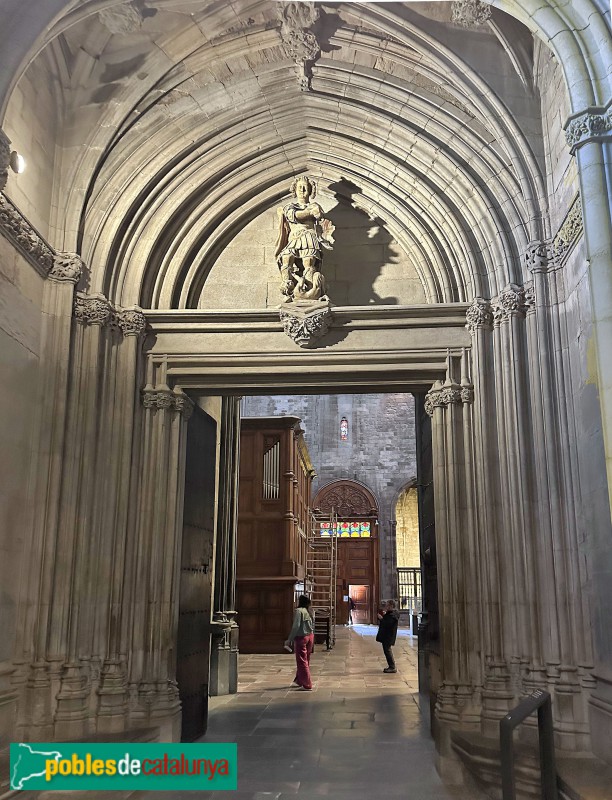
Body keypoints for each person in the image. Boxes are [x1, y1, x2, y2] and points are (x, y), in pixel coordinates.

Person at [274, 175, 334, 302]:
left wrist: (316, 213)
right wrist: (309, 212)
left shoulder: (315, 206)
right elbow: (293, 216)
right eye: (299, 187)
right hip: (294, 237)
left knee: (309, 261)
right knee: (287, 257)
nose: (302, 190)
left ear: (310, 191)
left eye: (305, 187)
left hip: (309, 237)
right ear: (294, 190)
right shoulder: (290, 206)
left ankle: (310, 287)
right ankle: (287, 285)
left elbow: (319, 216)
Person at [284, 594, 315, 690]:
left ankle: (307, 683)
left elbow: (296, 626)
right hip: (310, 636)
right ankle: (300, 680)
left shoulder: (299, 611)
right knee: (306, 660)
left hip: (301, 638)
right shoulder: (310, 611)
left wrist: (290, 639)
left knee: (302, 661)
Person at [376, 600, 400, 673]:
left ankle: (392, 667)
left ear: (391, 606)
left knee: (387, 650)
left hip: (388, 635)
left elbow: (388, 624)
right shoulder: (390, 614)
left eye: (387, 605)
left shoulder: (393, 615)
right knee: (387, 650)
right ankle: (391, 666)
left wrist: (381, 618)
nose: (386, 606)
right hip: (386, 635)